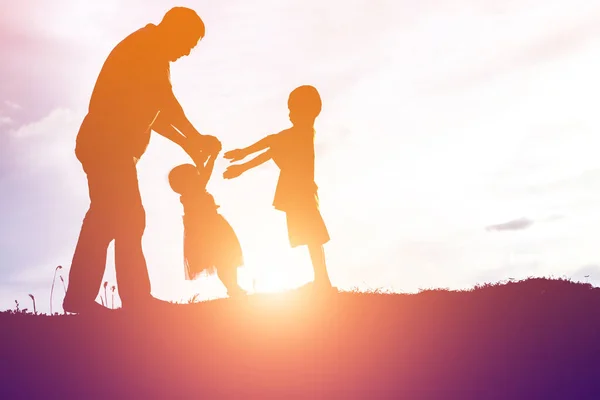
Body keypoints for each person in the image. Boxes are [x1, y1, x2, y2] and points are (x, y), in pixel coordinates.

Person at [63, 7, 220, 314]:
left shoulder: (150, 49)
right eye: (189, 42)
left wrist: (189, 143)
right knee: (129, 217)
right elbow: (165, 103)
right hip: (107, 145)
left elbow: (155, 115)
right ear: (176, 29)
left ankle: (83, 298)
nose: (187, 52)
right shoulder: (147, 49)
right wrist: (195, 136)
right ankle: (134, 299)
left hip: (107, 146)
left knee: (106, 218)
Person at [223, 85, 334, 293]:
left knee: (313, 237)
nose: (290, 115)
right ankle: (321, 280)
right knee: (311, 237)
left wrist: (243, 158)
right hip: (297, 193)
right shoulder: (299, 134)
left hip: (300, 193)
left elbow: (272, 143)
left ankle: (322, 282)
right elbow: (272, 148)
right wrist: (242, 161)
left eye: (294, 110)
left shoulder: (302, 132)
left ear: (309, 111)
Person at [168, 154, 247, 298]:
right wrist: (211, 158)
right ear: (188, 181)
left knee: (226, 259)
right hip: (209, 230)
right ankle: (233, 288)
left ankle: (233, 287)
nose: (198, 176)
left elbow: (203, 175)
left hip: (212, 227)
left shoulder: (192, 192)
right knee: (223, 259)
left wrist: (205, 159)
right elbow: (205, 174)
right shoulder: (192, 192)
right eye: (195, 175)